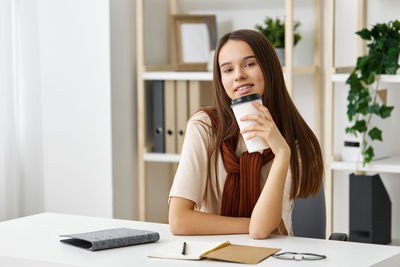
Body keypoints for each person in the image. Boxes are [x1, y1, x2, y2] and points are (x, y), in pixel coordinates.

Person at [168, 29, 324, 239]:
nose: (239, 75)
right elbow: (179, 221)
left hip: (274, 254)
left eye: (249, 64)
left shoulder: (294, 140)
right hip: (211, 252)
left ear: (269, 68)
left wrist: (281, 152)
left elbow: (260, 232)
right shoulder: (204, 127)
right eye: (228, 69)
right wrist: (251, 224)